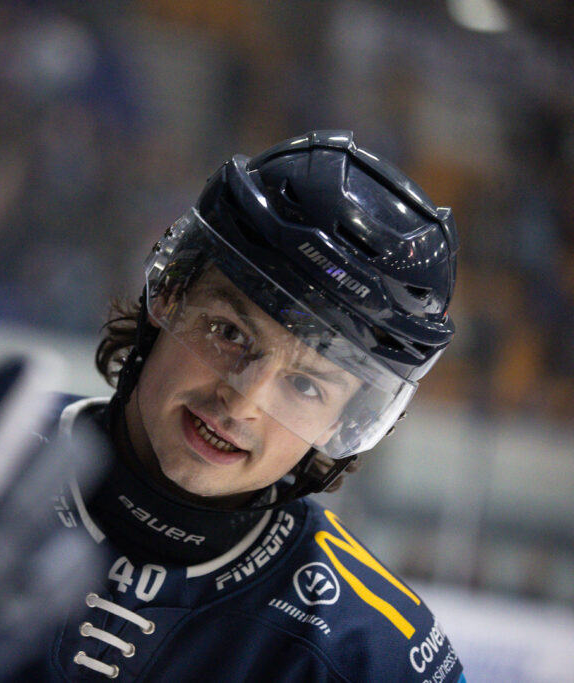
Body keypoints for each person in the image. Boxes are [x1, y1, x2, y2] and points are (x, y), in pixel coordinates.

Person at [36, 130, 466, 682]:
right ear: (168, 295)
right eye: (229, 332)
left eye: (307, 386)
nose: (242, 401)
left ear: (343, 422)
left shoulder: (372, 657)